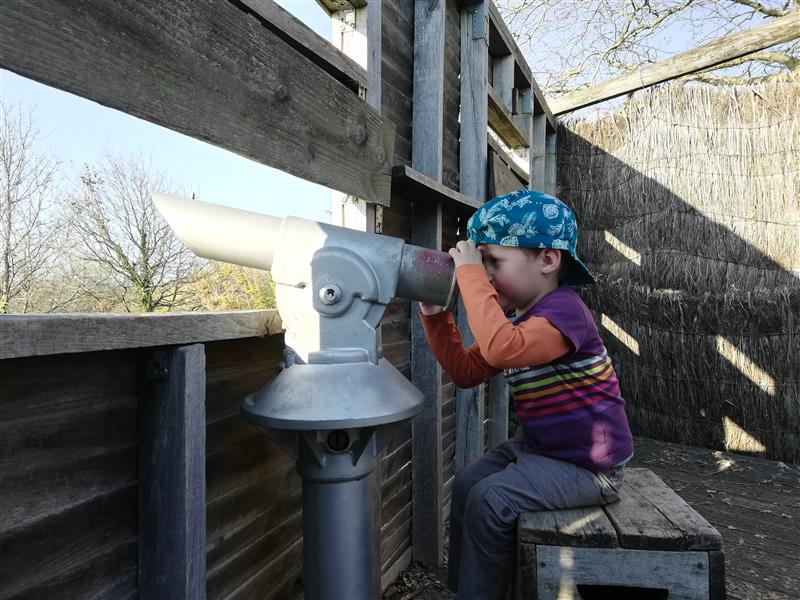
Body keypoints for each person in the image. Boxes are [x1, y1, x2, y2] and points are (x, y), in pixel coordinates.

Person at [419, 189, 634, 599]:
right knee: (468, 484)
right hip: (542, 450)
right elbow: (467, 371)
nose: (483, 276)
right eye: (481, 266)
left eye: (493, 263)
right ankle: (465, 589)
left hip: (590, 468)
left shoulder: (564, 313)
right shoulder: (519, 323)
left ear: (548, 260)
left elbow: (501, 348)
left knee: (491, 498)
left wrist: (467, 275)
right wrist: (436, 316)